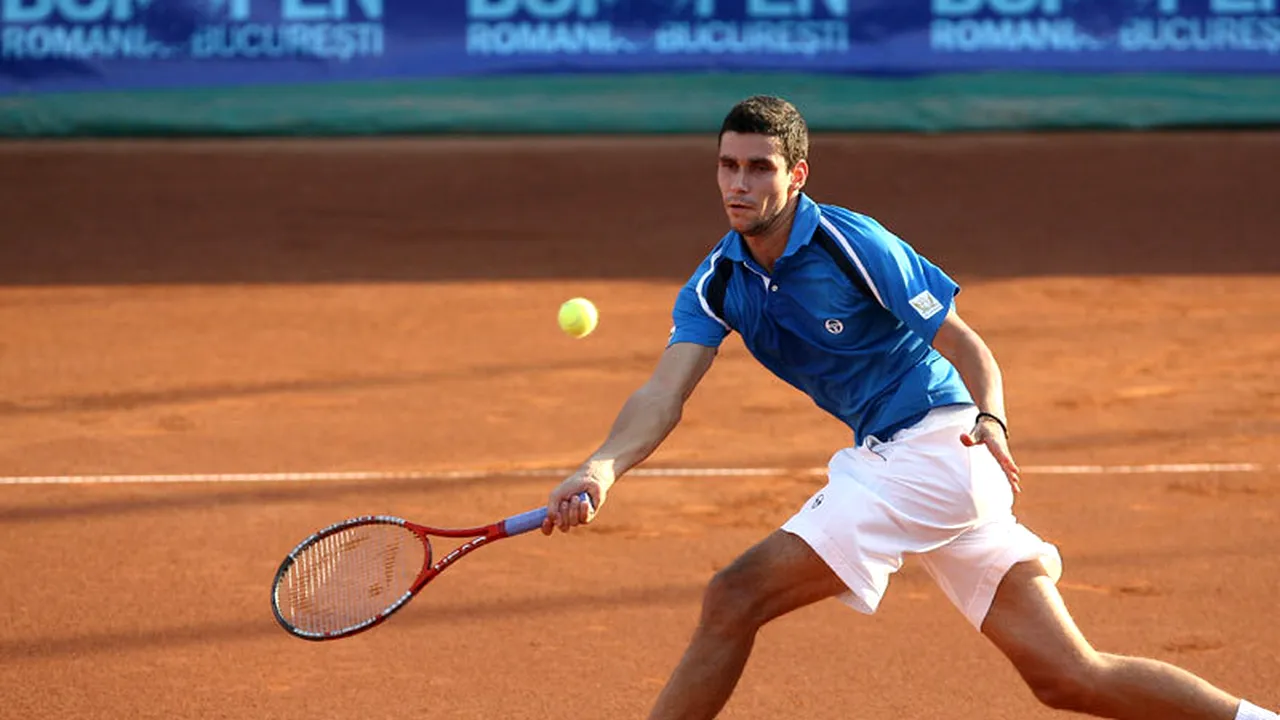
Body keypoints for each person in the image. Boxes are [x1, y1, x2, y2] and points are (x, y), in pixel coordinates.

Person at [539, 95, 1275, 720]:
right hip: (918, 467)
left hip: (933, 449)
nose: (739, 184)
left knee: (733, 597)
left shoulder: (850, 243)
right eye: (728, 166)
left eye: (759, 168)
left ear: (795, 176)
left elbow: (966, 343)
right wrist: (600, 470)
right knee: (1068, 676)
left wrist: (991, 418)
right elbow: (664, 393)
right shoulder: (716, 281)